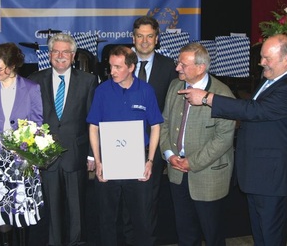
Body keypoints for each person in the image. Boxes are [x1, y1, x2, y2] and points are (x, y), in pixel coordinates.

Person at [181, 34, 287, 246]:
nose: (261, 63)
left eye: (267, 58)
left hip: (274, 179)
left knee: (272, 236)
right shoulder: (271, 78)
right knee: (260, 234)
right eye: (261, 57)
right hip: (258, 175)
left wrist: (207, 98)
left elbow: (255, 110)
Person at [160, 43, 236, 245]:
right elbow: (165, 123)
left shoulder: (222, 94)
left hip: (208, 176)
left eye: (182, 64)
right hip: (176, 172)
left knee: (213, 235)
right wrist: (169, 154)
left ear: (201, 68)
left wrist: (191, 162)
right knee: (185, 233)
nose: (177, 68)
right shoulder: (175, 86)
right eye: (178, 62)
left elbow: (224, 138)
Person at [86, 45, 163, 246]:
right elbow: (93, 127)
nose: (112, 72)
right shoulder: (102, 91)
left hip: (138, 163)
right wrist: (99, 161)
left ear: (131, 67)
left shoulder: (146, 90)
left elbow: (155, 126)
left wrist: (150, 161)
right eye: (111, 66)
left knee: (141, 221)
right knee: (107, 220)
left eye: (118, 67)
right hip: (109, 164)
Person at [28, 33, 97, 246]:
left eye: (65, 52)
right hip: (46, 157)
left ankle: (77, 243)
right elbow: (30, 120)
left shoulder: (88, 81)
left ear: (73, 55)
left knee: (77, 210)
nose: (60, 56)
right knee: (52, 210)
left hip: (76, 155)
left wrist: (91, 155)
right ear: (49, 55)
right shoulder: (34, 80)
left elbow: (93, 121)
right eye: (55, 51)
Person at [0, 42, 43, 246]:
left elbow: (37, 123)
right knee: (1, 210)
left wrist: (29, 155)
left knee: (21, 211)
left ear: (12, 65)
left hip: (22, 157)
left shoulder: (31, 88)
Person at [124, 15, 178, 244]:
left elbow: (172, 107)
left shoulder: (170, 67)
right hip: (122, 142)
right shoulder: (120, 63)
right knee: (125, 199)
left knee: (149, 199)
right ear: (132, 38)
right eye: (139, 36)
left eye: (149, 36)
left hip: (153, 144)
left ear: (157, 39)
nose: (144, 41)